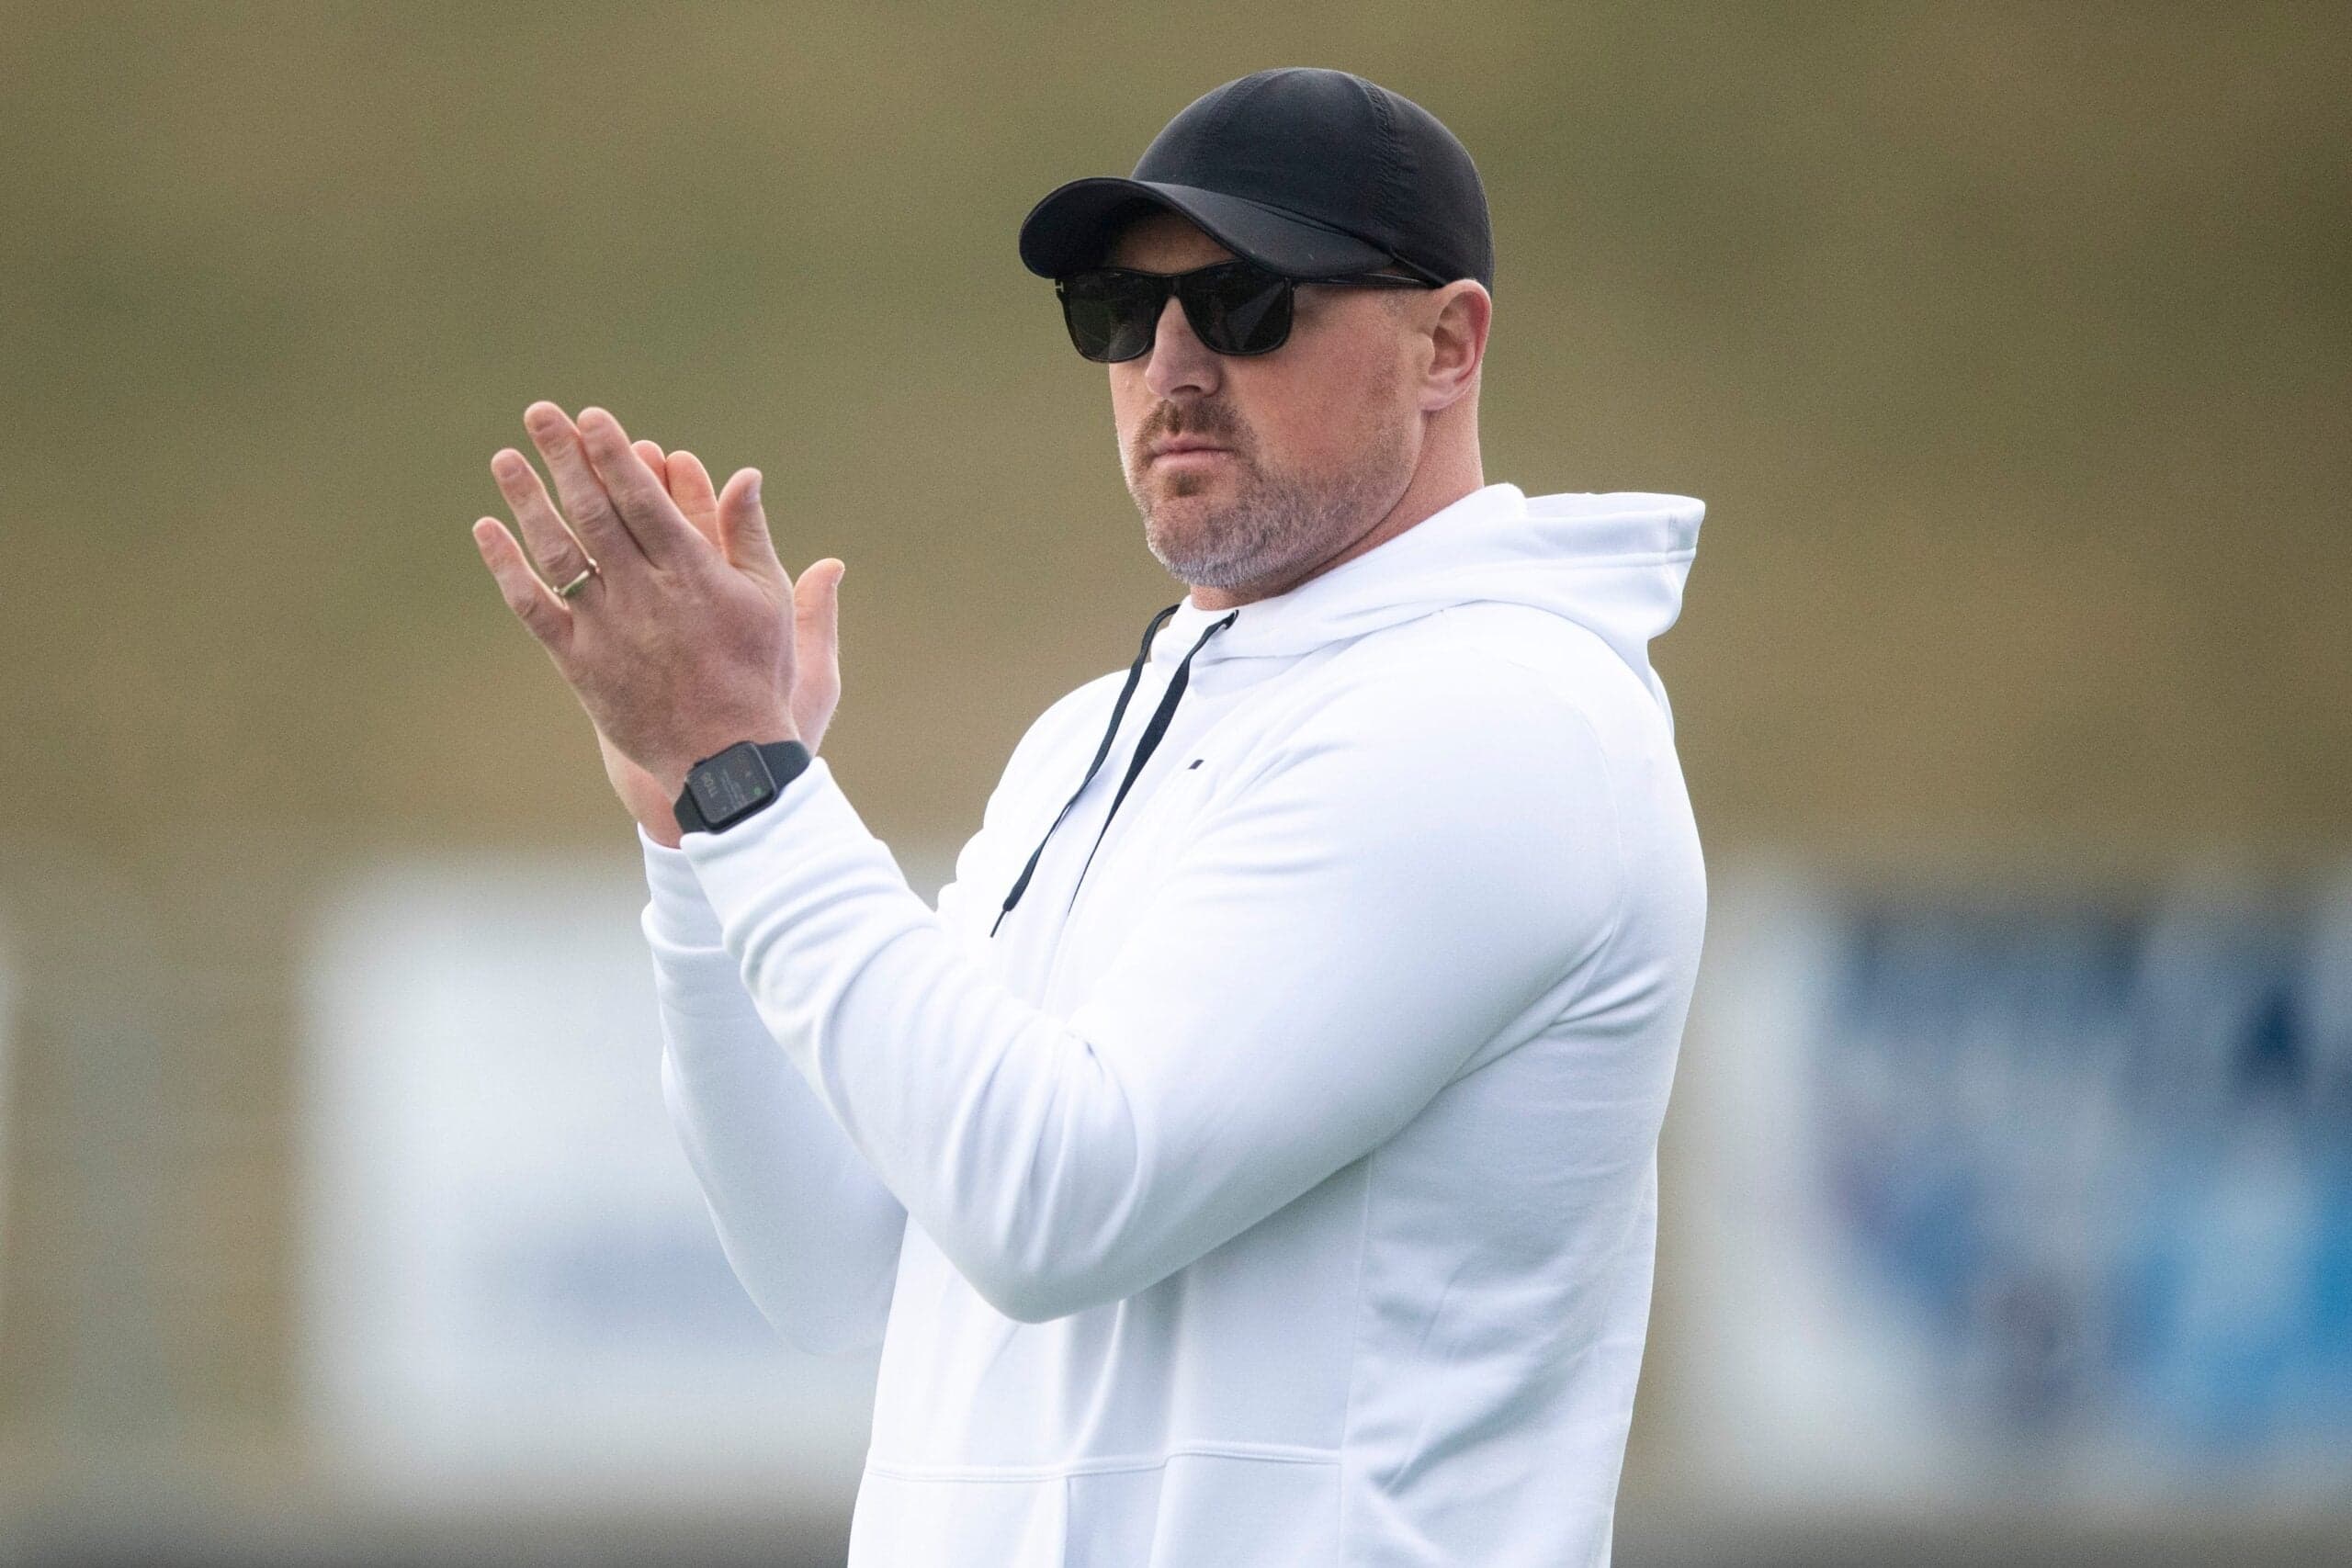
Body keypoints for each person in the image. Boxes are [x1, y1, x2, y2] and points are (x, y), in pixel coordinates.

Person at [471, 66, 1705, 1568]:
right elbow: (828, 1263)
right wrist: (700, 826)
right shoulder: (1094, 735)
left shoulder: (1503, 717)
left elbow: (1056, 1201)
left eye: (1248, 302)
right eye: (1121, 314)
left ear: (1446, 345)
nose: (1172, 364)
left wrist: (756, 781)